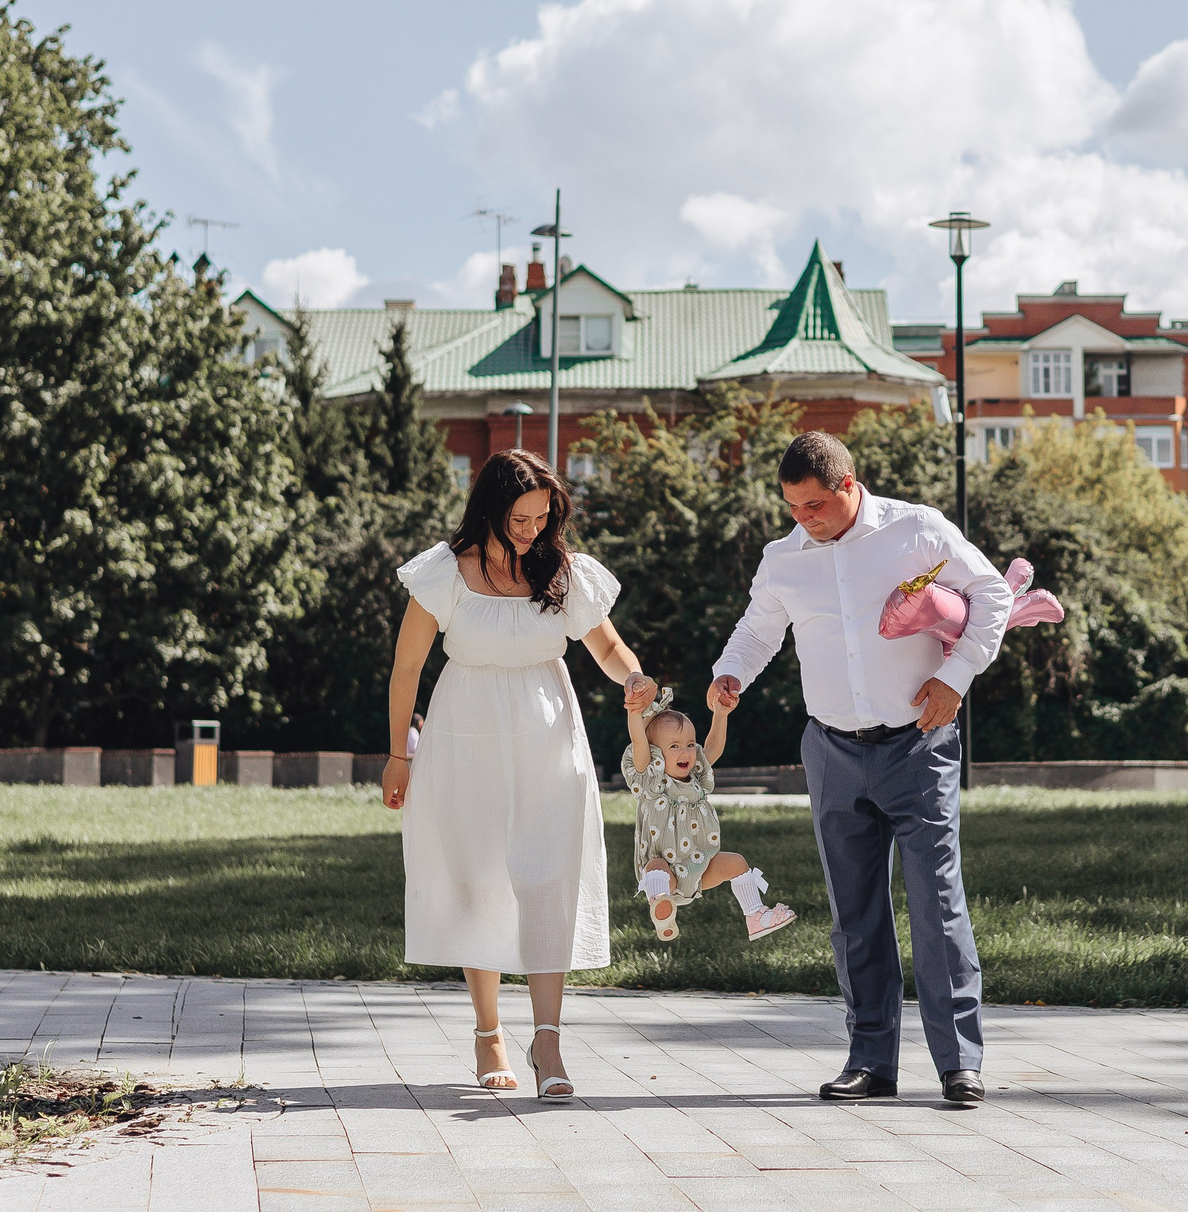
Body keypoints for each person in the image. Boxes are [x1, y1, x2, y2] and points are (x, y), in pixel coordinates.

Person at [708, 430, 1009, 1107]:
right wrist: (730, 674)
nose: (803, 518)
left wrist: (956, 677)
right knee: (854, 914)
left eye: (814, 504)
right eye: (791, 506)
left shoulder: (916, 529)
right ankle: (871, 1060)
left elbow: (993, 595)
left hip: (918, 744)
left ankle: (959, 1061)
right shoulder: (784, 558)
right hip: (833, 750)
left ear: (850, 484)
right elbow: (758, 630)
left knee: (936, 901)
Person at [383, 449, 656, 1101]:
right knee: (478, 877)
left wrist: (635, 675)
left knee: (550, 877)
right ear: (490, 508)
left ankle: (550, 1037)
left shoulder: (562, 572)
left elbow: (607, 646)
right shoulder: (444, 572)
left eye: (543, 516)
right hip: (462, 734)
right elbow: (405, 669)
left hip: (548, 735)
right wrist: (399, 753)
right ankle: (488, 1032)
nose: (533, 528)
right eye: (520, 516)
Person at [622, 688, 797, 942]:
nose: (686, 752)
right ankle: (661, 906)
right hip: (665, 874)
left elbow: (713, 748)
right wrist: (635, 713)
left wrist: (721, 714)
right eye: (674, 746)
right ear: (656, 755)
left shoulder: (696, 779)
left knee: (737, 862)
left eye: (690, 744)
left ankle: (756, 916)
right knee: (656, 867)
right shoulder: (652, 781)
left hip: (698, 868)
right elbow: (639, 742)